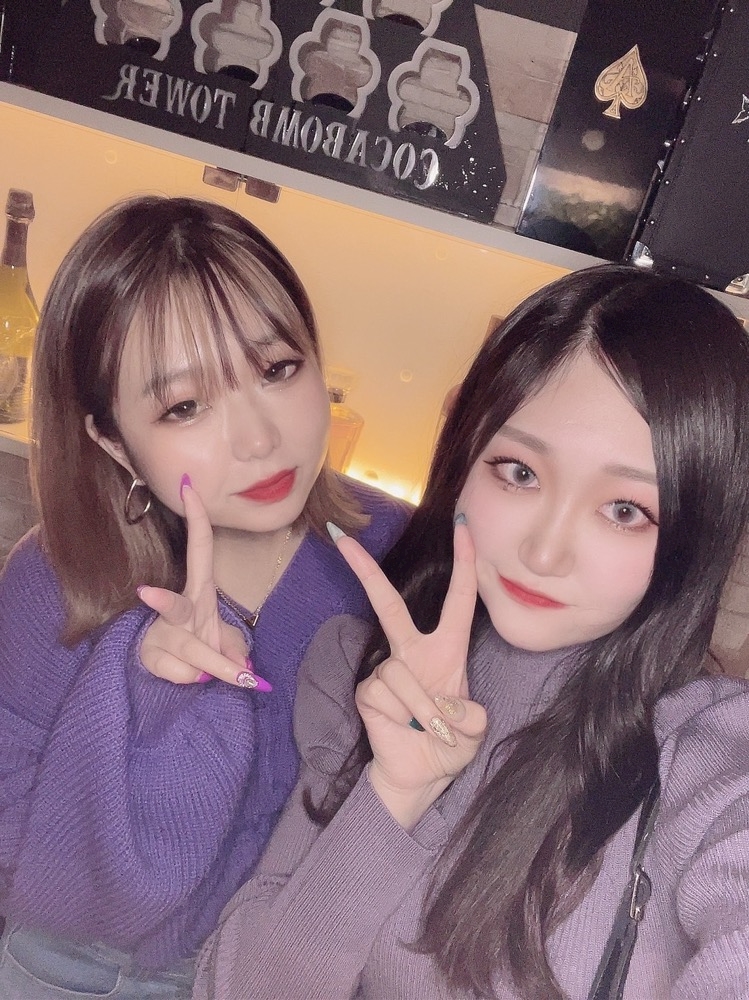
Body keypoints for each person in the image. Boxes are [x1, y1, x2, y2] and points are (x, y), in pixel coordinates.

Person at [194, 264, 749, 1000]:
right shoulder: (360, 669)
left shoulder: (709, 756)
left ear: (695, 532)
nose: (543, 552)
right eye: (518, 472)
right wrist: (394, 794)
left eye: (624, 510)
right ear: (464, 456)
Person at [0, 195, 410, 998]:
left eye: (277, 369)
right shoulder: (60, 576)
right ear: (112, 440)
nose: (259, 439)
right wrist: (143, 711)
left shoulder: (399, 559)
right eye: (184, 406)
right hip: (67, 970)